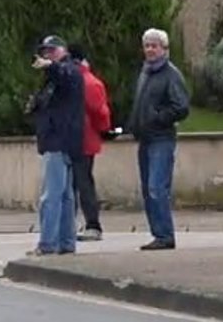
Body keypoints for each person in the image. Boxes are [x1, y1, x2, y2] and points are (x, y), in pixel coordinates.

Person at [125, 27, 189, 251]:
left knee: (156, 187)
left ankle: (165, 235)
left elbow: (181, 107)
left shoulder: (170, 74)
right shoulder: (146, 73)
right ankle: (158, 233)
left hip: (161, 138)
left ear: (164, 49)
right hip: (146, 138)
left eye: (154, 45)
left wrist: (158, 118)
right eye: (147, 45)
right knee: (147, 189)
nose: (150, 49)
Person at [27, 35, 84, 256]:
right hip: (64, 140)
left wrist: (50, 66)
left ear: (62, 50)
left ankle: (48, 243)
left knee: (51, 195)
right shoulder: (56, 78)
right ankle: (66, 243)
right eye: (45, 51)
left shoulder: (69, 70)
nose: (47, 54)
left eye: (52, 50)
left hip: (58, 141)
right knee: (65, 195)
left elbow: (64, 74)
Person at [68, 44, 112, 241]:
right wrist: (104, 130)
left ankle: (92, 224)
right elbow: (101, 114)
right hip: (86, 139)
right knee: (82, 182)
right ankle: (89, 224)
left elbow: (99, 113)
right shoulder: (89, 81)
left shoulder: (82, 82)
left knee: (80, 183)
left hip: (81, 140)